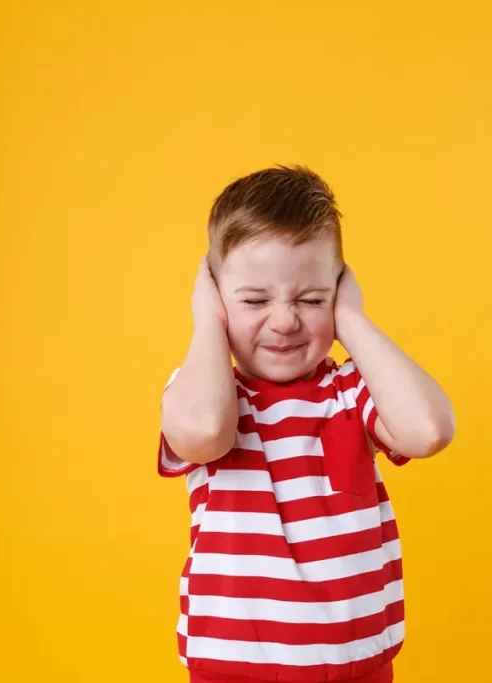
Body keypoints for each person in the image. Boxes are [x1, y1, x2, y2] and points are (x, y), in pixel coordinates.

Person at [157, 165, 455, 683]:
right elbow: (204, 432)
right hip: (234, 669)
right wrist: (206, 323)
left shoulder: (352, 391)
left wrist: (352, 321)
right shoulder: (205, 391)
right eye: (255, 300)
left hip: (357, 665)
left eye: (312, 299)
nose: (284, 320)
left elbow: (429, 430)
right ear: (216, 297)